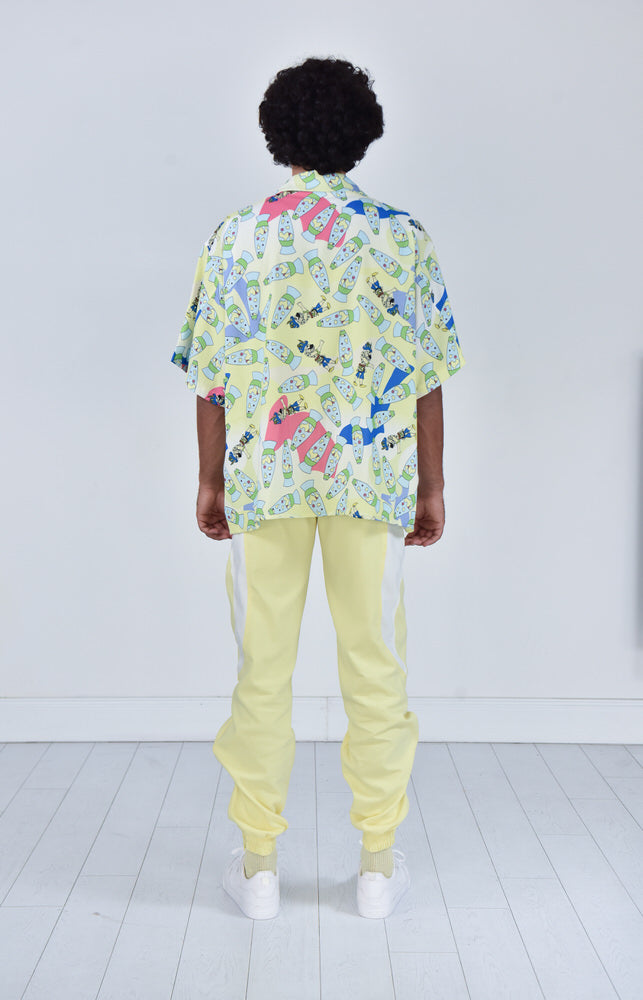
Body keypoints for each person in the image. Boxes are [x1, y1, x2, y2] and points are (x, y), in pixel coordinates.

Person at [169, 56, 466, 920]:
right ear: (362, 133)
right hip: (371, 481)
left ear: (276, 134)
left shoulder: (237, 236)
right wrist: (431, 486)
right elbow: (425, 377)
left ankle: (259, 867)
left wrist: (209, 480)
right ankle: (375, 865)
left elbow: (211, 379)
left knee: (261, 668)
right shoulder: (402, 238)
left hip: (266, 479)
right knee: (374, 663)